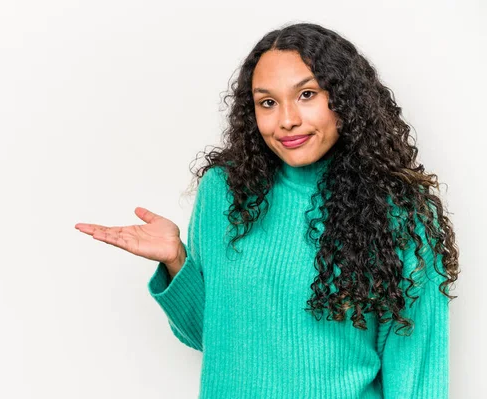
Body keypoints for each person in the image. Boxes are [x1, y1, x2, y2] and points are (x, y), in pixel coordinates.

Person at [75, 22, 460, 399]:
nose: (287, 120)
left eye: (307, 94)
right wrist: (177, 261)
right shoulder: (226, 192)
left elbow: (417, 372)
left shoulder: (402, 214)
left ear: (344, 98)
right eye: (268, 102)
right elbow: (212, 337)